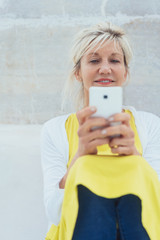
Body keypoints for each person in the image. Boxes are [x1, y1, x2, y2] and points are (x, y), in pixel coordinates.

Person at [41, 22, 160, 240]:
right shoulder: (55, 130)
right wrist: (79, 157)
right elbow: (54, 213)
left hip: (134, 226)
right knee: (86, 166)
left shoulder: (149, 125)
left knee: (135, 165)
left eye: (114, 60)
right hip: (78, 230)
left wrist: (135, 156)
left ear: (125, 72)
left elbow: (156, 208)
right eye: (94, 60)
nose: (105, 68)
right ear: (78, 73)